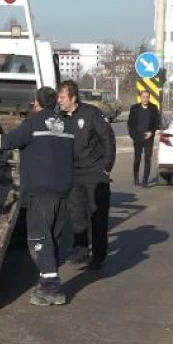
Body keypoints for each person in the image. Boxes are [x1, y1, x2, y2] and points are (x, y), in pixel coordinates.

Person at [0, 87, 73, 306]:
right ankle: (46, 283)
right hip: (62, 192)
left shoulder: (32, 125)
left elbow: (2, 143)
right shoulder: (68, 126)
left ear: (37, 104)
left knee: (39, 241)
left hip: (40, 193)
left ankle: (52, 290)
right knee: (52, 239)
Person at [57, 80, 116, 271]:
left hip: (94, 173)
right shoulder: (59, 117)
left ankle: (98, 256)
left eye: (63, 97)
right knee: (77, 215)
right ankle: (80, 250)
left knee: (97, 215)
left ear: (73, 98)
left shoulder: (90, 114)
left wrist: (107, 167)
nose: (59, 101)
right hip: (73, 173)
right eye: (59, 97)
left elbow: (108, 138)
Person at [128, 90, 162, 187]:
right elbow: (130, 123)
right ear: (140, 97)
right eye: (143, 97)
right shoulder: (134, 108)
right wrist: (133, 136)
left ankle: (145, 181)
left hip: (149, 138)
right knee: (137, 159)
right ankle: (136, 179)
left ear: (149, 97)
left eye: (147, 97)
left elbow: (156, 123)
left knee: (148, 159)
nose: (145, 99)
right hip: (137, 137)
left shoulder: (154, 108)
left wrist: (151, 132)